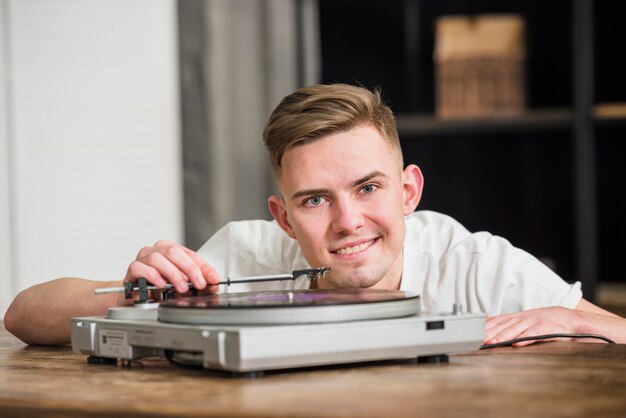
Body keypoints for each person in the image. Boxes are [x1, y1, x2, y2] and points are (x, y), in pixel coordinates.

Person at [5, 83, 625, 346]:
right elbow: (22, 314)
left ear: (409, 191)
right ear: (282, 217)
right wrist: (140, 290)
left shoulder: (476, 262)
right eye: (314, 200)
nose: (348, 221)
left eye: (368, 187)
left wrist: (575, 320)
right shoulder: (243, 256)